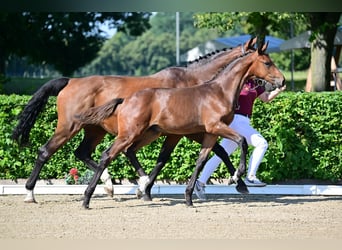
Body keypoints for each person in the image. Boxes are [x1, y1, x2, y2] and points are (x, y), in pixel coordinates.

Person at [194, 78, 286, 200]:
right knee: (261, 143)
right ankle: (251, 176)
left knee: (222, 155)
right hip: (235, 119)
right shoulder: (237, 81)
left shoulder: (255, 84)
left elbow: (266, 98)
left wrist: (278, 90)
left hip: (244, 121)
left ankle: (199, 183)